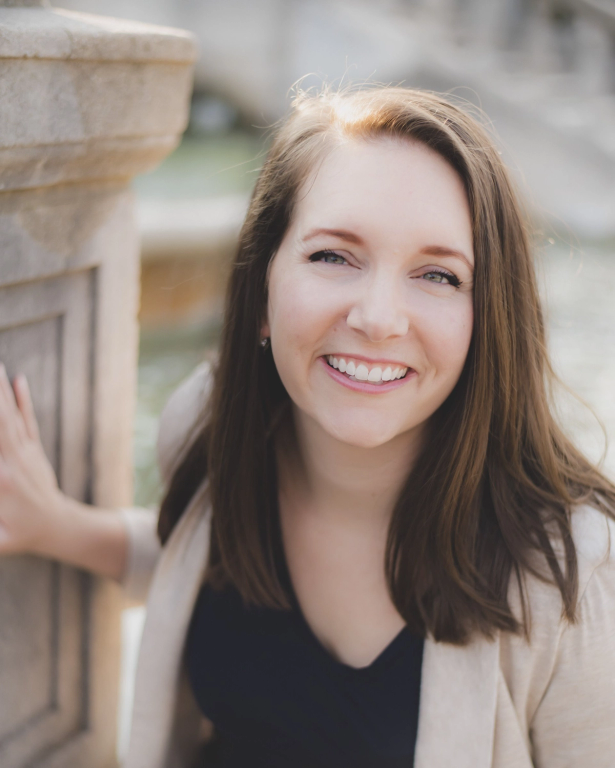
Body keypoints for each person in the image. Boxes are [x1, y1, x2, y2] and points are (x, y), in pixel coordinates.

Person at [0, 86, 614, 768]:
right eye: (332, 257)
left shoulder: (569, 582)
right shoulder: (210, 427)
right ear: (261, 289)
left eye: (438, 275)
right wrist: (51, 524)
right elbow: (197, 557)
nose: (379, 317)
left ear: (487, 320)